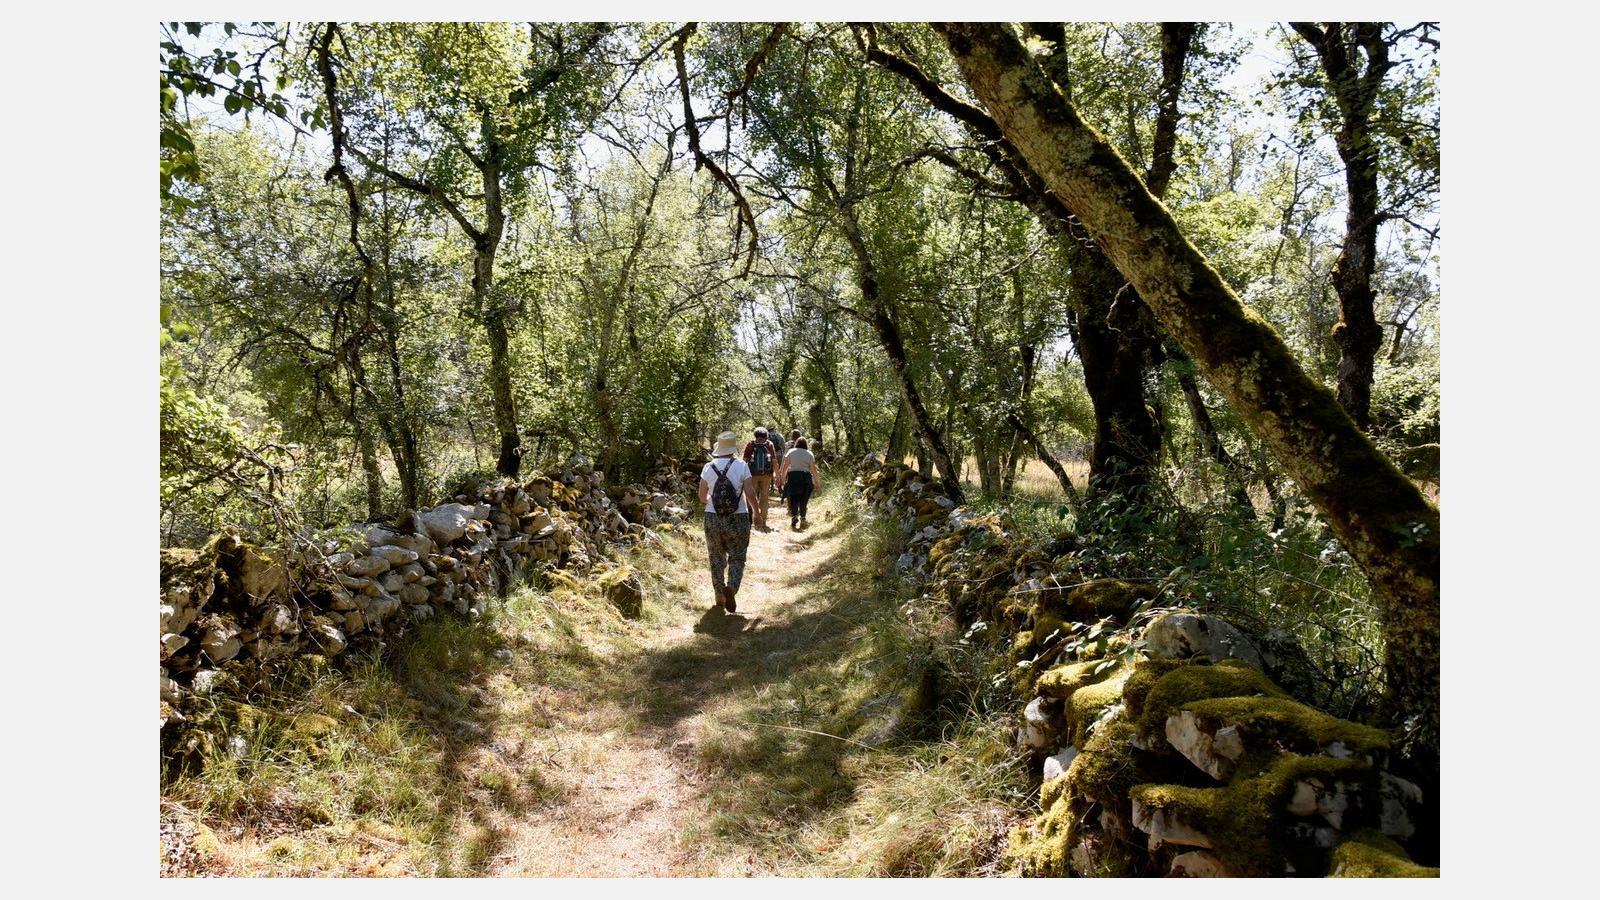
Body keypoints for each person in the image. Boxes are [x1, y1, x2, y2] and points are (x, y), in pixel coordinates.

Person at [698, 431, 758, 612]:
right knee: (737, 556)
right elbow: (750, 493)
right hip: (738, 517)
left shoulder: (708, 467)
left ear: (719, 448)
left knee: (716, 557)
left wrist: (714, 501)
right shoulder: (741, 466)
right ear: (733, 448)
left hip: (712, 517)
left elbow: (701, 496)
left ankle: (719, 595)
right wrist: (757, 513)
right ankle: (731, 588)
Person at [742, 426, 779, 531]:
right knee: (764, 498)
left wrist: (742, 475)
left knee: (752, 497)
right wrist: (777, 475)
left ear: (755, 435)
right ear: (766, 435)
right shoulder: (769, 444)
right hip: (766, 475)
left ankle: (753, 521)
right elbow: (774, 461)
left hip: (752, 475)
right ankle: (763, 521)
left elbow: (744, 460)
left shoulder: (750, 444)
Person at [779, 437, 820, 530]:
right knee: (804, 499)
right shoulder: (809, 453)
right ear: (806, 444)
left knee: (794, 498)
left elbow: (785, 466)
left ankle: (794, 516)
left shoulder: (791, 452)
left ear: (796, 443)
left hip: (793, 477)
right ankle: (803, 518)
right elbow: (813, 469)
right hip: (806, 477)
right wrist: (817, 482)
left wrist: (782, 479)